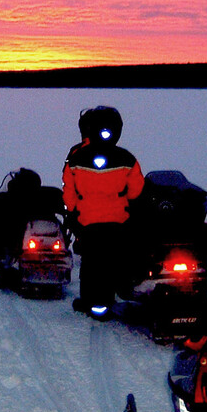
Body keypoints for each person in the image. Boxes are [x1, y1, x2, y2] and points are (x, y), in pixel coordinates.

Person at [61, 106, 144, 316]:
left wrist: (73, 213)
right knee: (111, 260)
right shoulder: (127, 158)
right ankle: (107, 301)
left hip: (87, 221)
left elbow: (68, 189)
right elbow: (137, 190)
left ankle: (92, 303)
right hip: (118, 220)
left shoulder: (77, 157)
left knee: (91, 264)